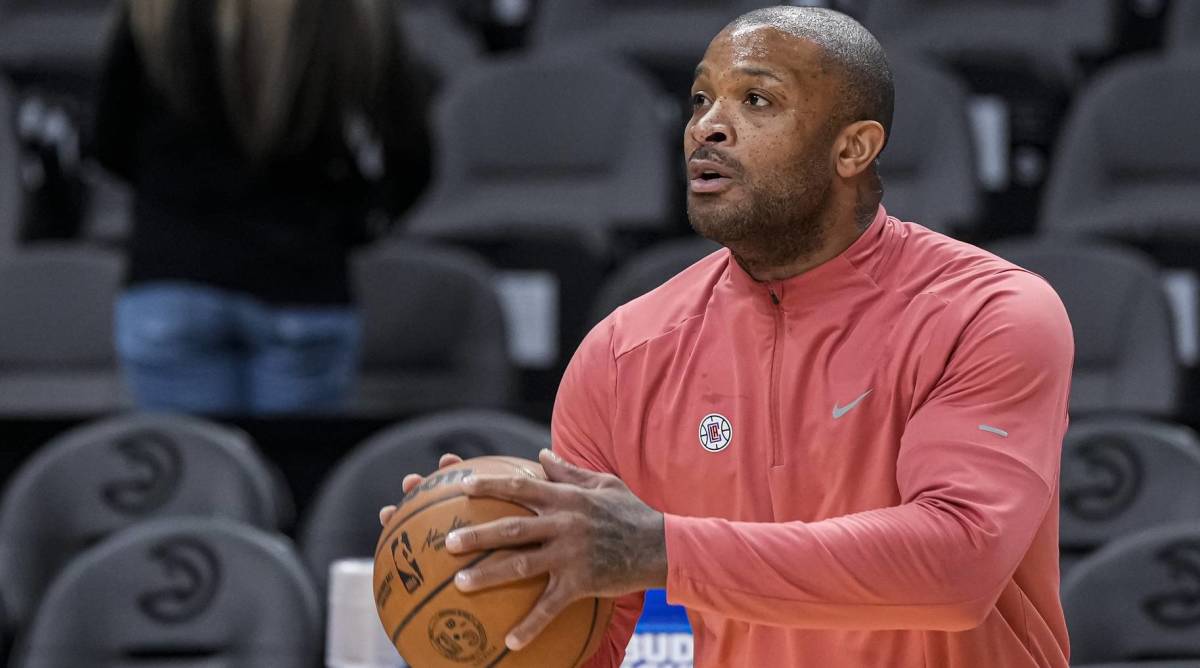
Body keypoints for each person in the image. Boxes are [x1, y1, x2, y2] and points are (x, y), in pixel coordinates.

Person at [382, 6, 1073, 667]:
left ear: (853, 148)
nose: (707, 127)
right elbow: (589, 637)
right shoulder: (625, 354)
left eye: (757, 101)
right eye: (699, 101)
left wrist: (666, 550)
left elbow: (958, 565)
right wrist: (485, 576)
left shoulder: (990, 312)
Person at [93, 0, 431, 414]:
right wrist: (349, 225)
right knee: (297, 474)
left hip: (174, 277)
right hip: (302, 282)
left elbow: (107, 140)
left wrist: (169, 197)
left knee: (192, 473)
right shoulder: (350, 12)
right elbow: (411, 156)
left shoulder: (155, 11)